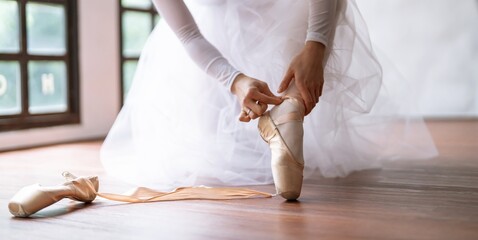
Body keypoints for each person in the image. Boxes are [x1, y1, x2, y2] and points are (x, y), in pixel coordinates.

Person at [101, 0, 437, 200]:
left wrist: (316, 47)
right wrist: (234, 80)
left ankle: (290, 107)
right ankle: (279, 118)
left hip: (287, 15)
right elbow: (189, 35)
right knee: (216, 154)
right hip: (215, 39)